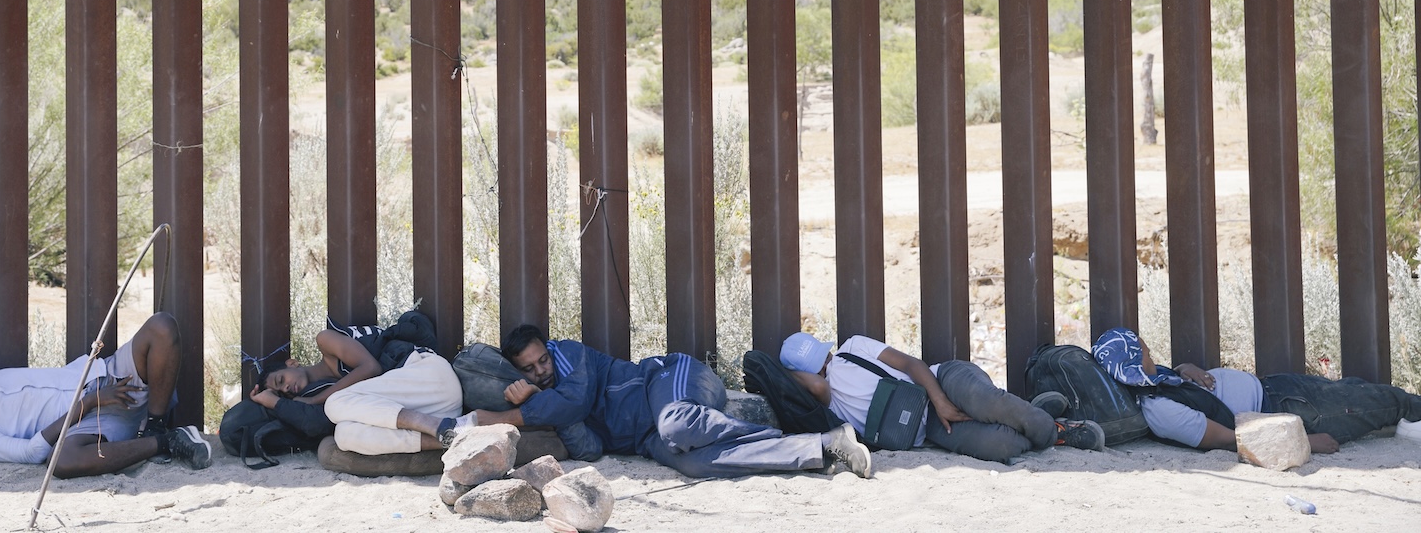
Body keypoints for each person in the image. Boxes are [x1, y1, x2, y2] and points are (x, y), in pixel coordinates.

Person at [430, 323, 873, 480]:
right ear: (517, 371)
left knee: (676, 424)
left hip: (669, 378)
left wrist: (500, 415)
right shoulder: (552, 398)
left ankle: (806, 433)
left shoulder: (571, 355)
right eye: (529, 369)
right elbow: (590, 449)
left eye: (542, 360)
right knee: (695, 464)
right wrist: (541, 404)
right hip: (647, 436)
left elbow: (575, 402)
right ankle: (822, 448)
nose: (541, 370)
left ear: (550, 350)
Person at [0, 312, 211, 477]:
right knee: (61, 462)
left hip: (108, 375)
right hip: (92, 422)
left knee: (162, 326)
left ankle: (154, 423)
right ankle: (167, 441)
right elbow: (30, 452)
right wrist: (88, 404)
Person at [779, 331, 1105, 464]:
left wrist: (940, 400)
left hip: (942, 380)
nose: (828, 361)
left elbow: (911, 364)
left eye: (824, 354)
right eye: (820, 363)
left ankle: (1058, 432)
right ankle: (1035, 415)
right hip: (930, 429)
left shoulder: (852, 348)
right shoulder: (826, 399)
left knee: (986, 401)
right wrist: (788, 374)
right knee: (1000, 446)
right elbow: (819, 387)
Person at [1092, 327, 1421, 454]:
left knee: (1354, 389)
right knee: (1381, 403)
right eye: (1146, 352)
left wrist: (1181, 368)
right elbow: (1227, 439)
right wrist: (1306, 442)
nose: (1152, 355)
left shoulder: (1152, 381)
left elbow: (1179, 385)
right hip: (1291, 411)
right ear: (1134, 363)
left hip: (1275, 387)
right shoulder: (1160, 410)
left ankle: (1409, 424)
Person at [248, 312, 464, 455]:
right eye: (282, 391)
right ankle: (454, 437)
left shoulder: (325, 341)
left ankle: (437, 428)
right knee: (344, 435)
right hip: (437, 411)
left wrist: (313, 399)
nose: (286, 388)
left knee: (334, 404)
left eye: (281, 380)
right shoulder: (340, 391)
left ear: (292, 363)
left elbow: (371, 368)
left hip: (430, 375)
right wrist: (273, 402)